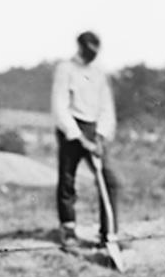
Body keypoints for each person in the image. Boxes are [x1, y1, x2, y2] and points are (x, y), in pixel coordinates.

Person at [51, 30, 121, 248]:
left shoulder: (99, 73)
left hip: (94, 128)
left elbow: (106, 107)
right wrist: (79, 138)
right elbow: (59, 106)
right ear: (80, 48)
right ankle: (69, 229)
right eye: (89, 51)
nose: (93, 56)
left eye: (96, 52)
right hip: (71, 128)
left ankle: (108, 233)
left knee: (111, 181)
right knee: (67, 180)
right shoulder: (65, 69)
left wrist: (100, 136)